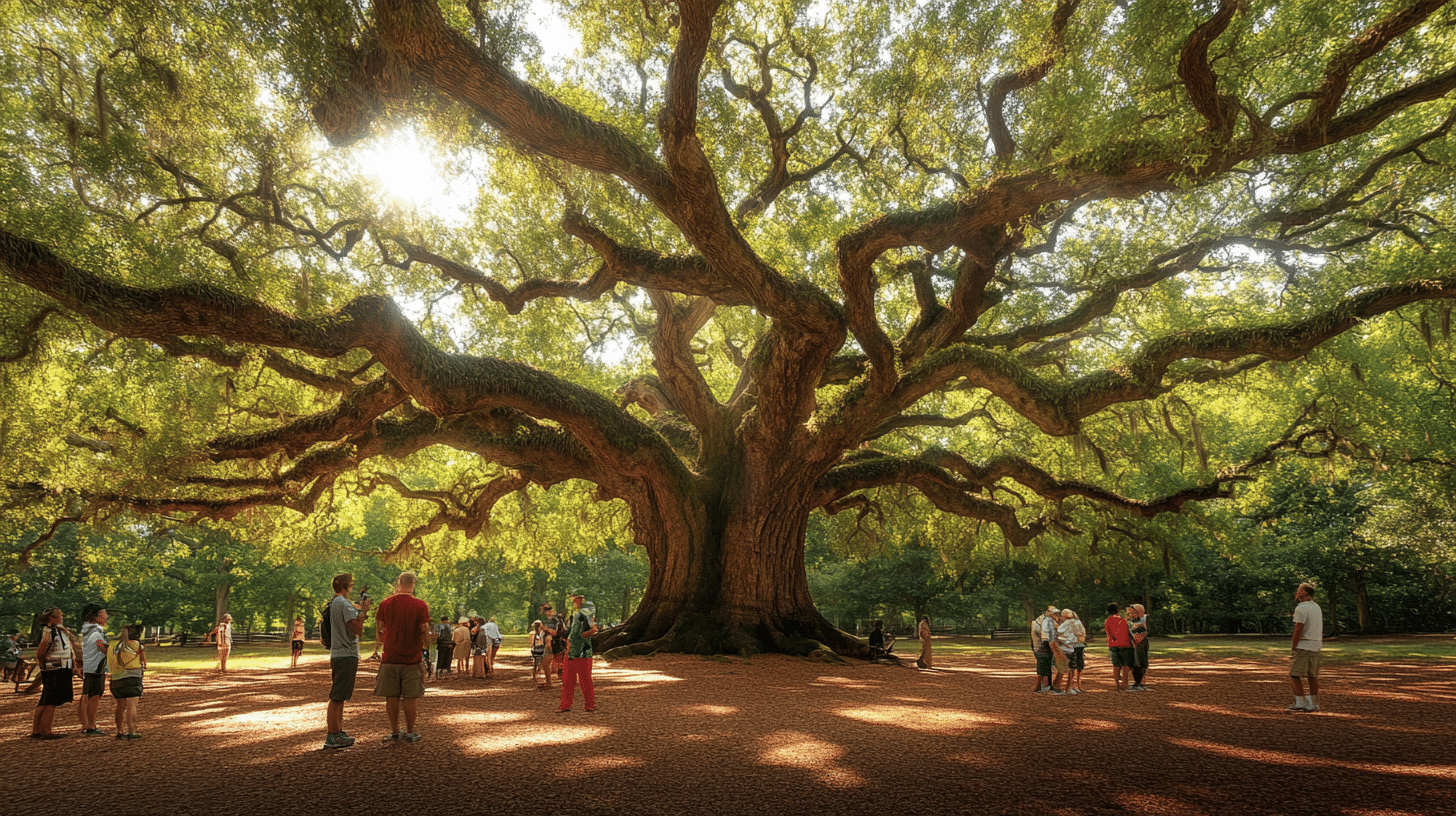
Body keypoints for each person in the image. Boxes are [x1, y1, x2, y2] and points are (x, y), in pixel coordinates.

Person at [374, 571, 431, 742]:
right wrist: (427, 648)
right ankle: (411, 731)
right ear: (413, 584)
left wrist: (387, 640)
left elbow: (379, 632)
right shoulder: (420, 605)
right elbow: (424, 630)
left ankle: (394, 731)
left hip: (390, 656)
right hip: (412, 659)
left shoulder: (385, 604)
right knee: (410, 697)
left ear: (399, 582)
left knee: (391, 696)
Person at [323, 572, 370, 749]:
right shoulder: (344, 603)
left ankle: (337, 731)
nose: (351, 588)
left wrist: (358, 610)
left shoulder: (335, 602)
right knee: (337, 696)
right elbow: (356, 629)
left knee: (339, 696)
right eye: (350, 585)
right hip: (346, 654)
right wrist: (363, 613)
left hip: (338, 653)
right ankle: (332, 735)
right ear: (345, 586)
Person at [30, 607, 81, 739]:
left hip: (61, 667)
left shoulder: (59, 630)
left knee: (46, 699)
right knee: (51, 700)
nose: (61, 617)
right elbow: (41, 650)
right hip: (56, 668)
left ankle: (37, 730)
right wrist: (44, 664)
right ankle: (46, 730)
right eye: (59, 616)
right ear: (51, 618)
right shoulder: (50, 631)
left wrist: (73, 663)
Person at [558, 589, 598, 713]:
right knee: (567, 679)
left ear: (580, 599)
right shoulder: (576, 614)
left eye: (574, 599)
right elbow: (573, 632)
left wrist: (579, 638)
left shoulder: (586, 612)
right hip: (571, 651)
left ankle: (589, 705)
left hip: (583, 652)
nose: (573, 602)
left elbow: (592, 630)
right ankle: (565, 705)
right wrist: (568, 640)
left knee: (585, 680)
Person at [1288, 582, 1324, 712]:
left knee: (1294, 675)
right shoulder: (1316, 607)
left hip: (1304, 645)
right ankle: (1313, 703)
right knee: (1312, 675)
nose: (1297, 592)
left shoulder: (1301, 608)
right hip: (1316, 645)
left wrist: (1294, 645)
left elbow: (1299, 628)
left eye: (1299, 589)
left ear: (1305, 593)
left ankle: (1300, 702)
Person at [108, 622, 146, 739]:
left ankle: (119, 731)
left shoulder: (113, 646)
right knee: (132, 706)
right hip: (133, 678)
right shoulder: (137, 645)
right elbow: (144, 662)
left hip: (116, 679)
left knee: (120, 706)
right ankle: (132, 731)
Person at [78, 603, 110, 736]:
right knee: (93, 697)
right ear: (96, 616)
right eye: (104, 613)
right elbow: (102, 647)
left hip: (90, 666)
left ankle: (86, 724)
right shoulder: (96, 631)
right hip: (95, 668)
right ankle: (90, 726)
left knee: (87, 696)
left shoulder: (88, 629)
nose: (107, 616)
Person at [1105, 603, 1134, 692]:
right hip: (1125, 644)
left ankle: (1117, 683)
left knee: (1116, 664)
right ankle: (1125, 683)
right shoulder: (1122, 620)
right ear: (1117, 610)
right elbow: (1128, 632)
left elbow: (1109, 633)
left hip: (1113, 644)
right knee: (1126, 664)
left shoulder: (1108, 620)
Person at [1059, 609, 1088, 694]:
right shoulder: (1077, 621)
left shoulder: (1068, 623)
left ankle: (1071, 686)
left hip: (1073, 646)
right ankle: (1076, 685)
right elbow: (1082, 633)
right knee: (1079, 666)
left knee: (1072, 666)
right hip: (1080, 645)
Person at [1031, 606, 1059, 693]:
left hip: (1038, 647)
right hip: (1043, 647)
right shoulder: (1045, 622)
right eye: (1055, 614)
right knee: (1045, 667)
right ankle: (1044, 687)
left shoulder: (1039, 620)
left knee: (1045, 667)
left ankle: (1045, 686)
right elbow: (1046, 637)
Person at [1128, 604, 1151, 691]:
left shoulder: (1145, 618)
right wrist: (1132, 641)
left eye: (1134, 611)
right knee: (1134, 663)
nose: (1132, 613)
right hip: (1132, 643)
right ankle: (1136, 682)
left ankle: (1140, 682)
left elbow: (1147, 629)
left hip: (1142, 643)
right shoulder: (1130, 620)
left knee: (1142, 662)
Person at [541, 603, 567, 679]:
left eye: (548, 609)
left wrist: (547, 629)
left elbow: (555, 633)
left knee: (557, 663)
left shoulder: (555, 620)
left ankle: (564, 679)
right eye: (545, 610)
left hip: (556, 643)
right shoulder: (547, 620)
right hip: (548, 643)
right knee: (546, 663)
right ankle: (549, 682)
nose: (546, 611)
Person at [529, 620, 551, 687]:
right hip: (542, 650)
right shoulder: (543, 633)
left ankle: (534, 675)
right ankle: (544, 675)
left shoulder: (532, 633)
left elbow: (531, 644)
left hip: (535, 650)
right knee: (544, 663)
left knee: (535, 663)